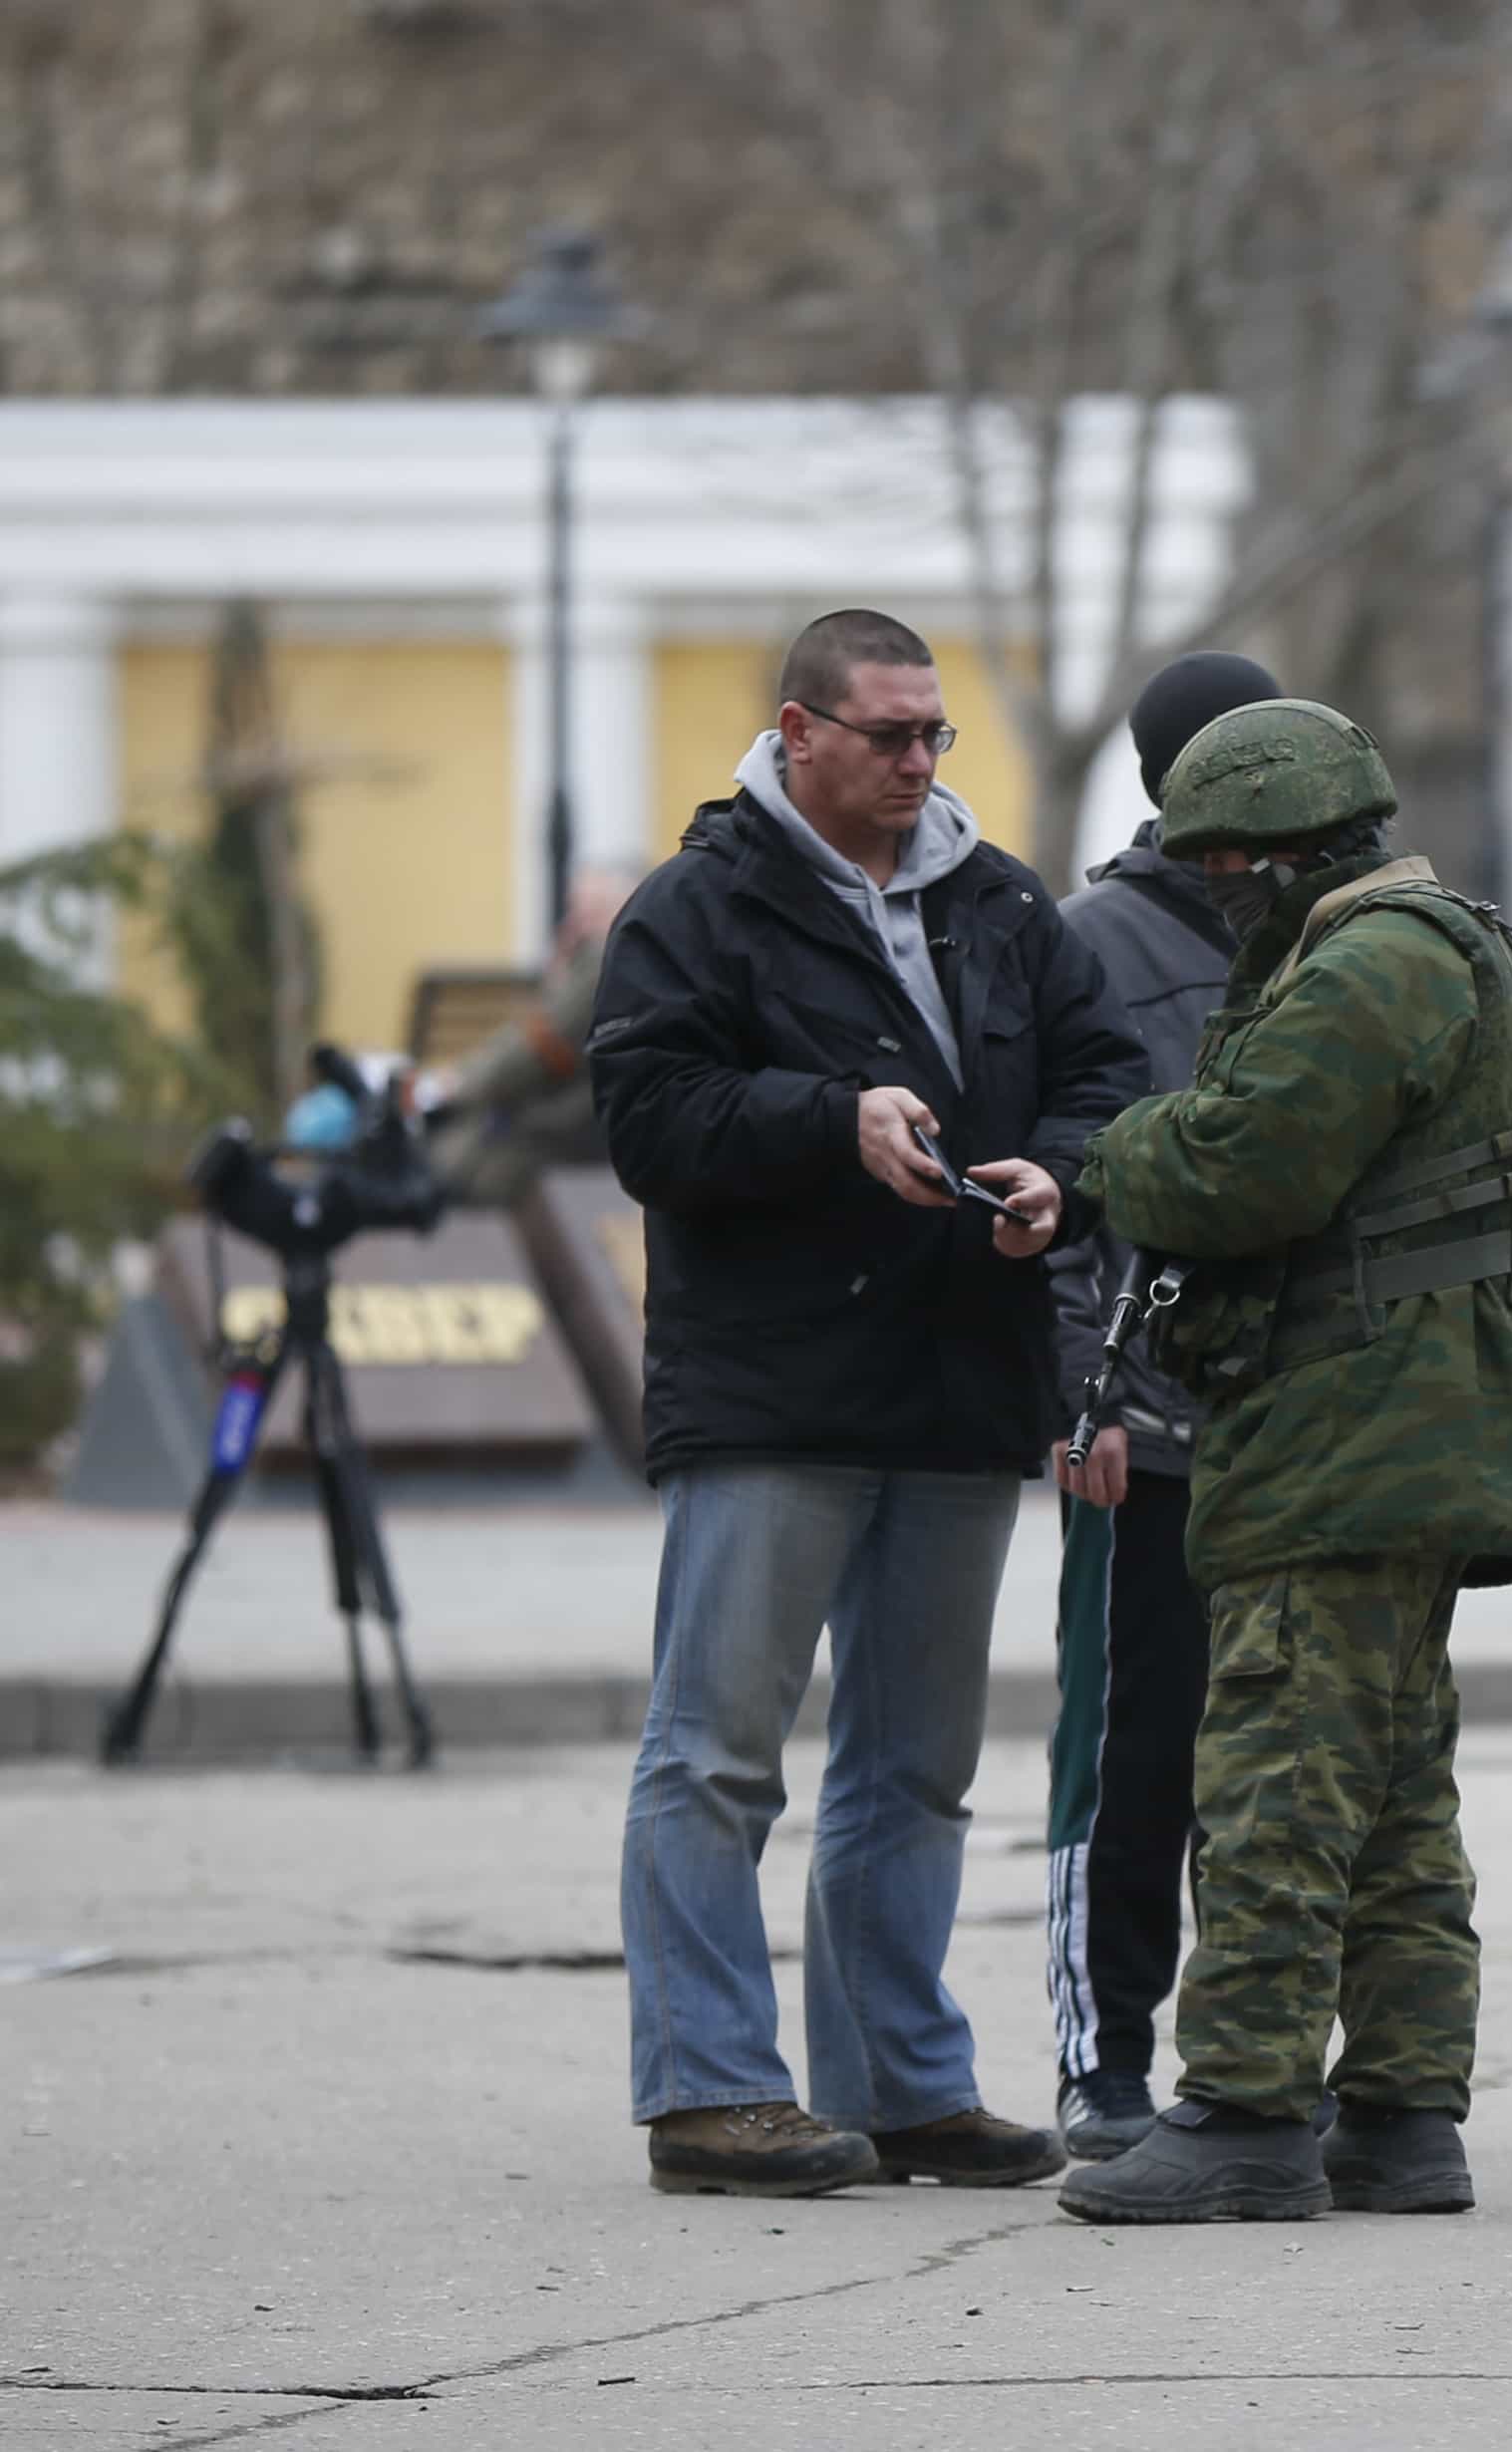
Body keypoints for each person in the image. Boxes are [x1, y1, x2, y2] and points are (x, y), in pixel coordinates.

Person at [591, 608, 1144, 2198]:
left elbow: (1101, 1082)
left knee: (915, 1768)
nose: (917, 762)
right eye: (888, 735)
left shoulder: (999, 904)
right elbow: (650, 1118)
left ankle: (902, 2086)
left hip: (958, 1386)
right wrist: (829, 1122)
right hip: (770, 1396)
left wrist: (1071, 1171)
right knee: (717, 1755)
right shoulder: (698, 909)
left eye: (933, 736)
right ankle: (710, 2094)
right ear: (796, 733)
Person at [1057, 696, 1512, 2229]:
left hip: (1347, 1430)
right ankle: (1406, 2115)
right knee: (1396, 1789)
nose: (1214, 893)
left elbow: (1239, 1166)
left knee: (1276, 1773)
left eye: (1223, 865)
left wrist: (1110, 1151)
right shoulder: (1432, 942)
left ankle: (1246, 2113)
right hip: (1409, 1425)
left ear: (1284, 853)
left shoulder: (1372, 966)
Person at [1041, 651, 1281, 2162]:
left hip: (1291, 1431)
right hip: (1143, 1434)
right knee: (1127, 1758)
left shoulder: (1336, 937)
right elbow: (1053, 1195)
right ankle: (1101, 2057)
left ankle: (1248, 2064)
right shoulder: (1089, 947)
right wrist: (1087, 1398)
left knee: (1271, 1773)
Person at [421, 864, 633, 1206]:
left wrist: (458, 1086)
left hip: (551, 1141)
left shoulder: (600, 964)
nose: (573, 925)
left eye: (589, 912)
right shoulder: (608, 964)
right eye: (574, 910)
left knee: (440, 1165)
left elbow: (532, 1053)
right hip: (568, 1134)